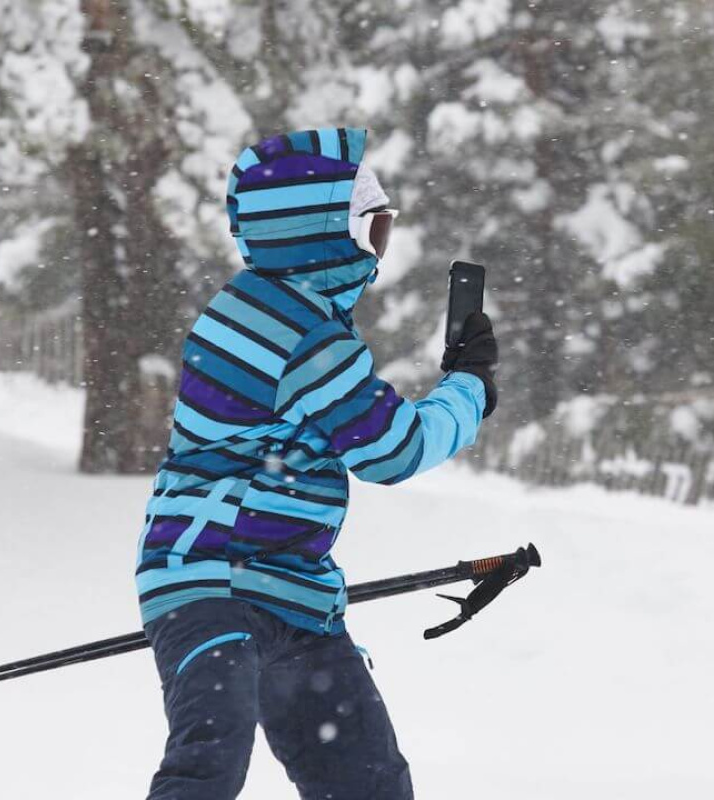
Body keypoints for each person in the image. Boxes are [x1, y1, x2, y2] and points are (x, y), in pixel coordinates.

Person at [135, 127, 498, 800]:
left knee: (365, 781)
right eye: (374, 231)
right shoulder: (296, 331)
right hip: (212, 583)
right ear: (326, 233)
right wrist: (471, 387)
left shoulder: (267, 308)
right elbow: (393, 451)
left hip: (293, 595)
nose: (379, 252)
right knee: (209, 766)